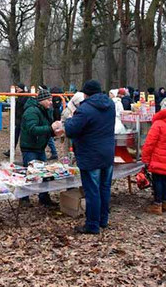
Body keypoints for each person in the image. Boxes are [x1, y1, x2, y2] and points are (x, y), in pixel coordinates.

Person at [64, 80, 115, 234]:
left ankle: (92, 225)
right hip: (107, 153)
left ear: (85, 94)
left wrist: (69, 119)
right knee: (104, 188)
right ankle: (103, 220)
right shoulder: (111, 105)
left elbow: (71, 130)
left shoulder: (85, 109)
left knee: (92, 191)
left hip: (91, 154)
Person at [19, 89, 63, 207]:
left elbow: (46, 128)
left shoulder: (46, 111)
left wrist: (54, 132)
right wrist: (51, 128)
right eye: (48, 100)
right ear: (41, 100)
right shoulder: (31, 111)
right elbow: (32, 129)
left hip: (39, 147)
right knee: (30, 173)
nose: (51, 102)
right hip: (30, 147)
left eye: (51, 100)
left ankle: (44, 197)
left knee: (44, 174)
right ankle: (24, 198)